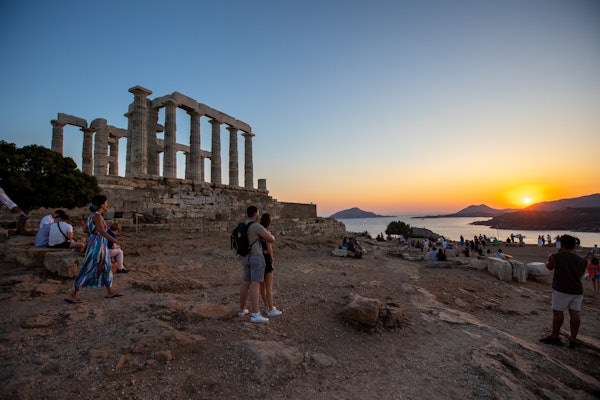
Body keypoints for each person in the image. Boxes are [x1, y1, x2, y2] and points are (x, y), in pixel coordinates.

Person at [64, 195, 124, 303]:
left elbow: (86, 229)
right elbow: (102, 231)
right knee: (90, 267)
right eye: (106, 202)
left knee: (106, 266)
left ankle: (110, 291)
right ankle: (72, 294)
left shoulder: (92, 215)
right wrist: (115, 240)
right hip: (98, 244)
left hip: (97, 242)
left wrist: (94, 233)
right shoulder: (97, 216)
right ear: (101, 204)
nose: (107, 204)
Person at [539, 234, 587, 348]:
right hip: (577, 290)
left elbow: (549, 267)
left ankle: (555, 337)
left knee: (558, 313)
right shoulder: (582, 260)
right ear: (574, 246)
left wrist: (555, 256)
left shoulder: (555, 257)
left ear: (561, 244)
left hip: (561, 289)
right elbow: (580, 274)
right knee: (575, 314)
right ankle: (573, 340)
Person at [238, 206, 275, 323]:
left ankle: (242, 310)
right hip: (256, 256)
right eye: (258, 213)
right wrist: (272, 236)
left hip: (245, 257)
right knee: (256, 284)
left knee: (245, 284)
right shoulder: (256, 226)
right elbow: (270, 239)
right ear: (255, 214)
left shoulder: (243, 225)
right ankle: (255, 314)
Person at [258, 213, 282, 317]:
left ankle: (267, 306)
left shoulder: (257, 232)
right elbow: (269, 248)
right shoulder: (266, 233)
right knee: (269, 286)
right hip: (266, 259)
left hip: (258, 258)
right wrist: (272, 258)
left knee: (262, 287)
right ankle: (271, 309)